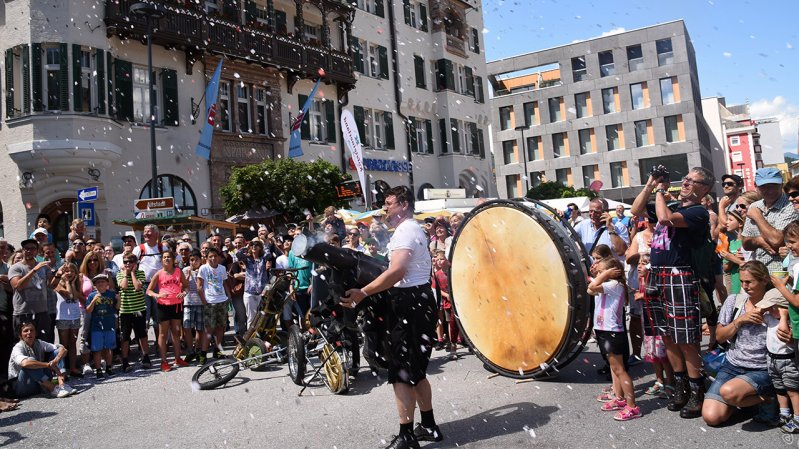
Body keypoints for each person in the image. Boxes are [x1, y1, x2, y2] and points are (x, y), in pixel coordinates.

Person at [341, 186, 441, 449]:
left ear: (404, 204)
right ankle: (429, 425)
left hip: (409, 304)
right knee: (417, 371)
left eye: (389, 203)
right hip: (418, 302)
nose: (385, 208)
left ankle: (407, 435)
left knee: (400, 372)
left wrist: (363, 291)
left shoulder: (406, 230)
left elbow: (397, 272)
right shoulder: (412, 229)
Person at [630, 166, 714, 419]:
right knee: (667, 336)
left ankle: (696, 391)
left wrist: (661, 191)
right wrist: (650, 183)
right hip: (658, 275)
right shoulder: (673, 204)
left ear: (705, 189)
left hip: (680, 275)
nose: (686, 182)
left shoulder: (698, 211)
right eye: (685, 178)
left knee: (686, 339)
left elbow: (665, 219)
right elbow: (635, 211)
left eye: (693, 181)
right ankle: (680, 389)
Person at [702, 261, 778, 426]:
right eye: (742, 281)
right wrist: (740, 320)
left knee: (728, 392)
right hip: (732, 365)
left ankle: (770, 397)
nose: (744, 286)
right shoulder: (734, 301)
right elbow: (720, 337)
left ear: (764, 280)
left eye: (749, 282)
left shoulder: (777, 304)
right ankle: (748, 400)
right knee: (711, 417)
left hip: (761, 368)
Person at [588, 257, 640, 421]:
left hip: (612, 332)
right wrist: (600, 273)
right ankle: (619, 398)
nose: (599, 273)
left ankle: (632, 406)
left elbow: (591, 286)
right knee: (613, 368)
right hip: (605, 330)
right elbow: (590, 290)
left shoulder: (614, 285)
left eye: (603, 271)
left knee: (620, 370)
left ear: (612, 272)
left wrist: (605, 274)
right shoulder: (607, 284)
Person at [742, 168, 799, 273]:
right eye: (764, 187)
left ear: (781, 185)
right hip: (759, 272)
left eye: (773, 186)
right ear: (756, 186)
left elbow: (776, 240)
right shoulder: (754, 206)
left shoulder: (790, 205)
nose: (769, 190)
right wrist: (760, 241)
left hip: (782, 272)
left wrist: (758, 217)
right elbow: (745, 244)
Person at [146, 251, 189, 371]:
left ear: (173, 259)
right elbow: (148, 290)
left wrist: (184, 293)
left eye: (168, 257)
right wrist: (157, 295)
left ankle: (177, 358)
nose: (166, 259)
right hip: (163, 306)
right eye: (164, 257)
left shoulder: (178, 272)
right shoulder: (159, 273)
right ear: (161, 261)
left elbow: (186, 286)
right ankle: (164, 361)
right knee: (163, 334)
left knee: (176, 333)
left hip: (176, 306)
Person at [8, 321, 74, 398]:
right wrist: (47, 365)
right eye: (26, 331)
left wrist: (56, 360)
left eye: (31, 330)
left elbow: (63, 349)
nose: (29, 333)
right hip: (22, 386)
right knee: (30, 362)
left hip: (39, 383)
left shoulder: (39, 342)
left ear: (35, 333)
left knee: (56, 352)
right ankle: (52, 388)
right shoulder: (17, 347)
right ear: (20, 335)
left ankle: (62, 385)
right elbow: (25, 363)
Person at [9, 238, 54, 340]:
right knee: (24, 346)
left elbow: (51, 285)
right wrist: (34, 270)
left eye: (32, 248)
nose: (29, 251)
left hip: (41, 312)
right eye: (26, 248)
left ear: (37, 251)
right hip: (23, 313)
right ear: (23, 250)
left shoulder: (43, 266)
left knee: (43, 345)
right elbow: (18, 286)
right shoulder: (16, 267)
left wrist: (59, 275)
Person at [133, 224, 169, 337]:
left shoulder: (162, 248)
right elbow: (132, 266)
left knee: (159, 316)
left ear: (156, 234)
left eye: (149, 231)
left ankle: (160, 344)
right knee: (144, 316)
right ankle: (144, 346)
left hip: (160, 286)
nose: (146, 234)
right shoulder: (139, 249)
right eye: (145, 231)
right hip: (144, 286)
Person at [115, 254, 150, 371]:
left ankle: (145, 357)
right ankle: (125, 361)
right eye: (125, 262)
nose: (127, 264)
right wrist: (126, 274)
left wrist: (133, 274)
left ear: (136, 263)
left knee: (142, 334)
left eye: (130, 262)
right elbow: (123, 286)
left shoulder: (140, 273)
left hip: (139, 309)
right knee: (125, 337)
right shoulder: (119, 274)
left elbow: (138, 286)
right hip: (125, 310)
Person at [197, 247, 231, 360]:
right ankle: (203, 354)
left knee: (221, 327)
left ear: (219, 257)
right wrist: (204, 301)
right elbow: (199, 287)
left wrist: (228, 296)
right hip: (210, 302)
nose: (213, 258)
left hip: (222, 300)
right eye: (210, 256)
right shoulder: (203, 268)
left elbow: (225, 283)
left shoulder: (222, 268)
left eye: (215, 256)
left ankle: (218, 351)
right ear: (206, 258)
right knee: (209, 330)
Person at [53, 263, 84, 378]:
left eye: (72, 271)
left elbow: (75, 297)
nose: (69, 273)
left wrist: (72, 284)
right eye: (67, 271)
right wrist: (66, 282)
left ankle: (72, 367)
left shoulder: (76, 283)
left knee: (72, 343)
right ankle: (62, 368)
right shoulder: (58, 285)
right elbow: (69, 295)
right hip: (63, 317)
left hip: (75, 317)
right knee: (64, 344)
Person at [85, 274, 118, 378]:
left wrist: (119, 299)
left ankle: (109, 367)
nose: (100, 284)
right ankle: (98, 370)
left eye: (103, 282)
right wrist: (94, 300)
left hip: (109, 324)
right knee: (97, 349)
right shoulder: (91, 295)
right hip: (96, 326)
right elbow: (88, 310)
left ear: (107, 283)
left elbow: (117, 307)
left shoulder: (111, 294)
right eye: (98, 282)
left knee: (109, 347)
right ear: (95, 285)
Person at [237, 238, 271, 329]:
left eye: (257, 245)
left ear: (260, 247)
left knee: (262, 318)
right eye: (253, 245)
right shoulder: (247, 259)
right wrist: (247, 246)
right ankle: (250, 340)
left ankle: (261, 339)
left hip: (262, 292)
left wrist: (265, 244)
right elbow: (238, 254)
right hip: (249, 293)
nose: (254, 246)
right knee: (251, 318)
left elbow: (268, 255)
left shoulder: (263, 259)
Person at [182, 250, 206, 364]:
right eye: (192, 260)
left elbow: (203, 286)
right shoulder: (185, 270)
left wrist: (197, 274)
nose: (194, 262)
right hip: (188, 302)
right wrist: (188, 275)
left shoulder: (203, 270)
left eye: (196, 260)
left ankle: (198, 348)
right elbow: (182, 286)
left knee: (200, 328)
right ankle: (190, 350)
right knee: (187, 327)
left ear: (200, 260)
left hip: (200, 302)